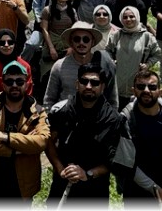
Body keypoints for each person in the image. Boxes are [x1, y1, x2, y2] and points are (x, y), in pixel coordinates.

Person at [45, 63, 126, 202]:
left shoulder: (113, 119)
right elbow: (48, 141)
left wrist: (87, 174)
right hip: (62, 185)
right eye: (84, 81)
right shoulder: (62, 111)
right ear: (77, 84)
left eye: (94, 83)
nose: (88, 86)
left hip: (94, 190)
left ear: (102, 87)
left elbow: (113, 161)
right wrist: (60, 168)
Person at [0, 62, 49, 202]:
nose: (14, 85)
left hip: (22, 184)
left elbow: (41, 141)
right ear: (3, 84)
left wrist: (5, 137)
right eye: (9, 81)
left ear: (27, 84)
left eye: (19, 81)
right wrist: (16, 151)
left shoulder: (38, 112)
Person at [116, 69, 162, 203]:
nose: (146, 90)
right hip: (136, 191)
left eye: (152, 87)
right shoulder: (125, 119)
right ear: (133, 91)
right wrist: (154, 189)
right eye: (140, 86)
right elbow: (127, 163)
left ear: (160, 91)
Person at [44, 20, 117, 107]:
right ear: (71, 42)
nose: (81, 43)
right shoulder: (59, 66)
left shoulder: (104, 64)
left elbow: (113, 100)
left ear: (92, 42)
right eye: (77, 39)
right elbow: (49, 100)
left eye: (86, 39)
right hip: (66, 117)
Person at [106, 6, 161, 108]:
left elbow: (157, 54)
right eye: (125, 17)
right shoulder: (116, 35)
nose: (128, 19)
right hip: (118, 81)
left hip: (138, 82)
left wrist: (147, 64)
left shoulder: (147, 36)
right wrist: (111, 60)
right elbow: (107, 50)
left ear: (137, 17)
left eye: (131, 16)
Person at [36, 0, 78, 97]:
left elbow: (76, 30)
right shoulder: (47, 10)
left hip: (67, 47)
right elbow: (44, 29)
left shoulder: (73, 12)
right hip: (51, 45)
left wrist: (71, 48)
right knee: (47, 75)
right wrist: (51, 48)